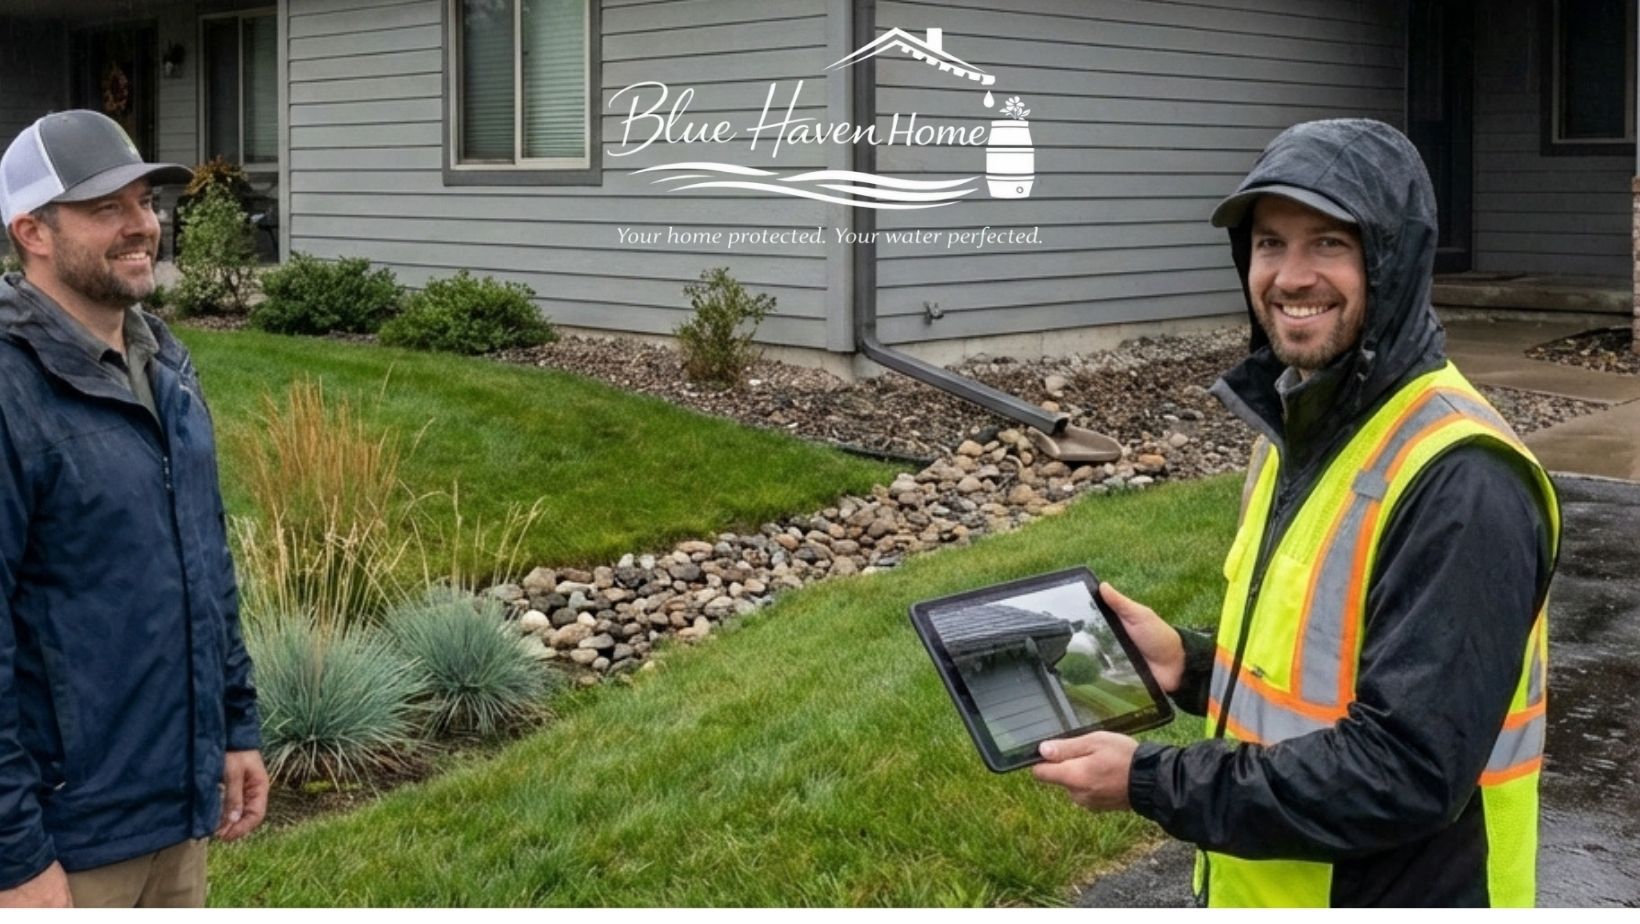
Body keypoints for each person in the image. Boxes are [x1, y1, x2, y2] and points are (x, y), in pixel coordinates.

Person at [1031, 120, 1559, 907]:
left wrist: (1151, 779)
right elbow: (1316, 685)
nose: (1291, 275)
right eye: (1270, 243)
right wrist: (1189, 664)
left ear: (1394, 260)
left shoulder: (1462, 478)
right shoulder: (1301, 431)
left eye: (1330, 244)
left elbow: (1406, 770)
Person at [0, 110, 266, 908]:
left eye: (145, 201)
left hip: (175, 820)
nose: (142, 225)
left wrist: (233, 726)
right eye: (105, 207)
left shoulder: (163, 363)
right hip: (66, 844)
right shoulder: (11, 393)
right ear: (32, 231)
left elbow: (204, 563)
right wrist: (13, 853)